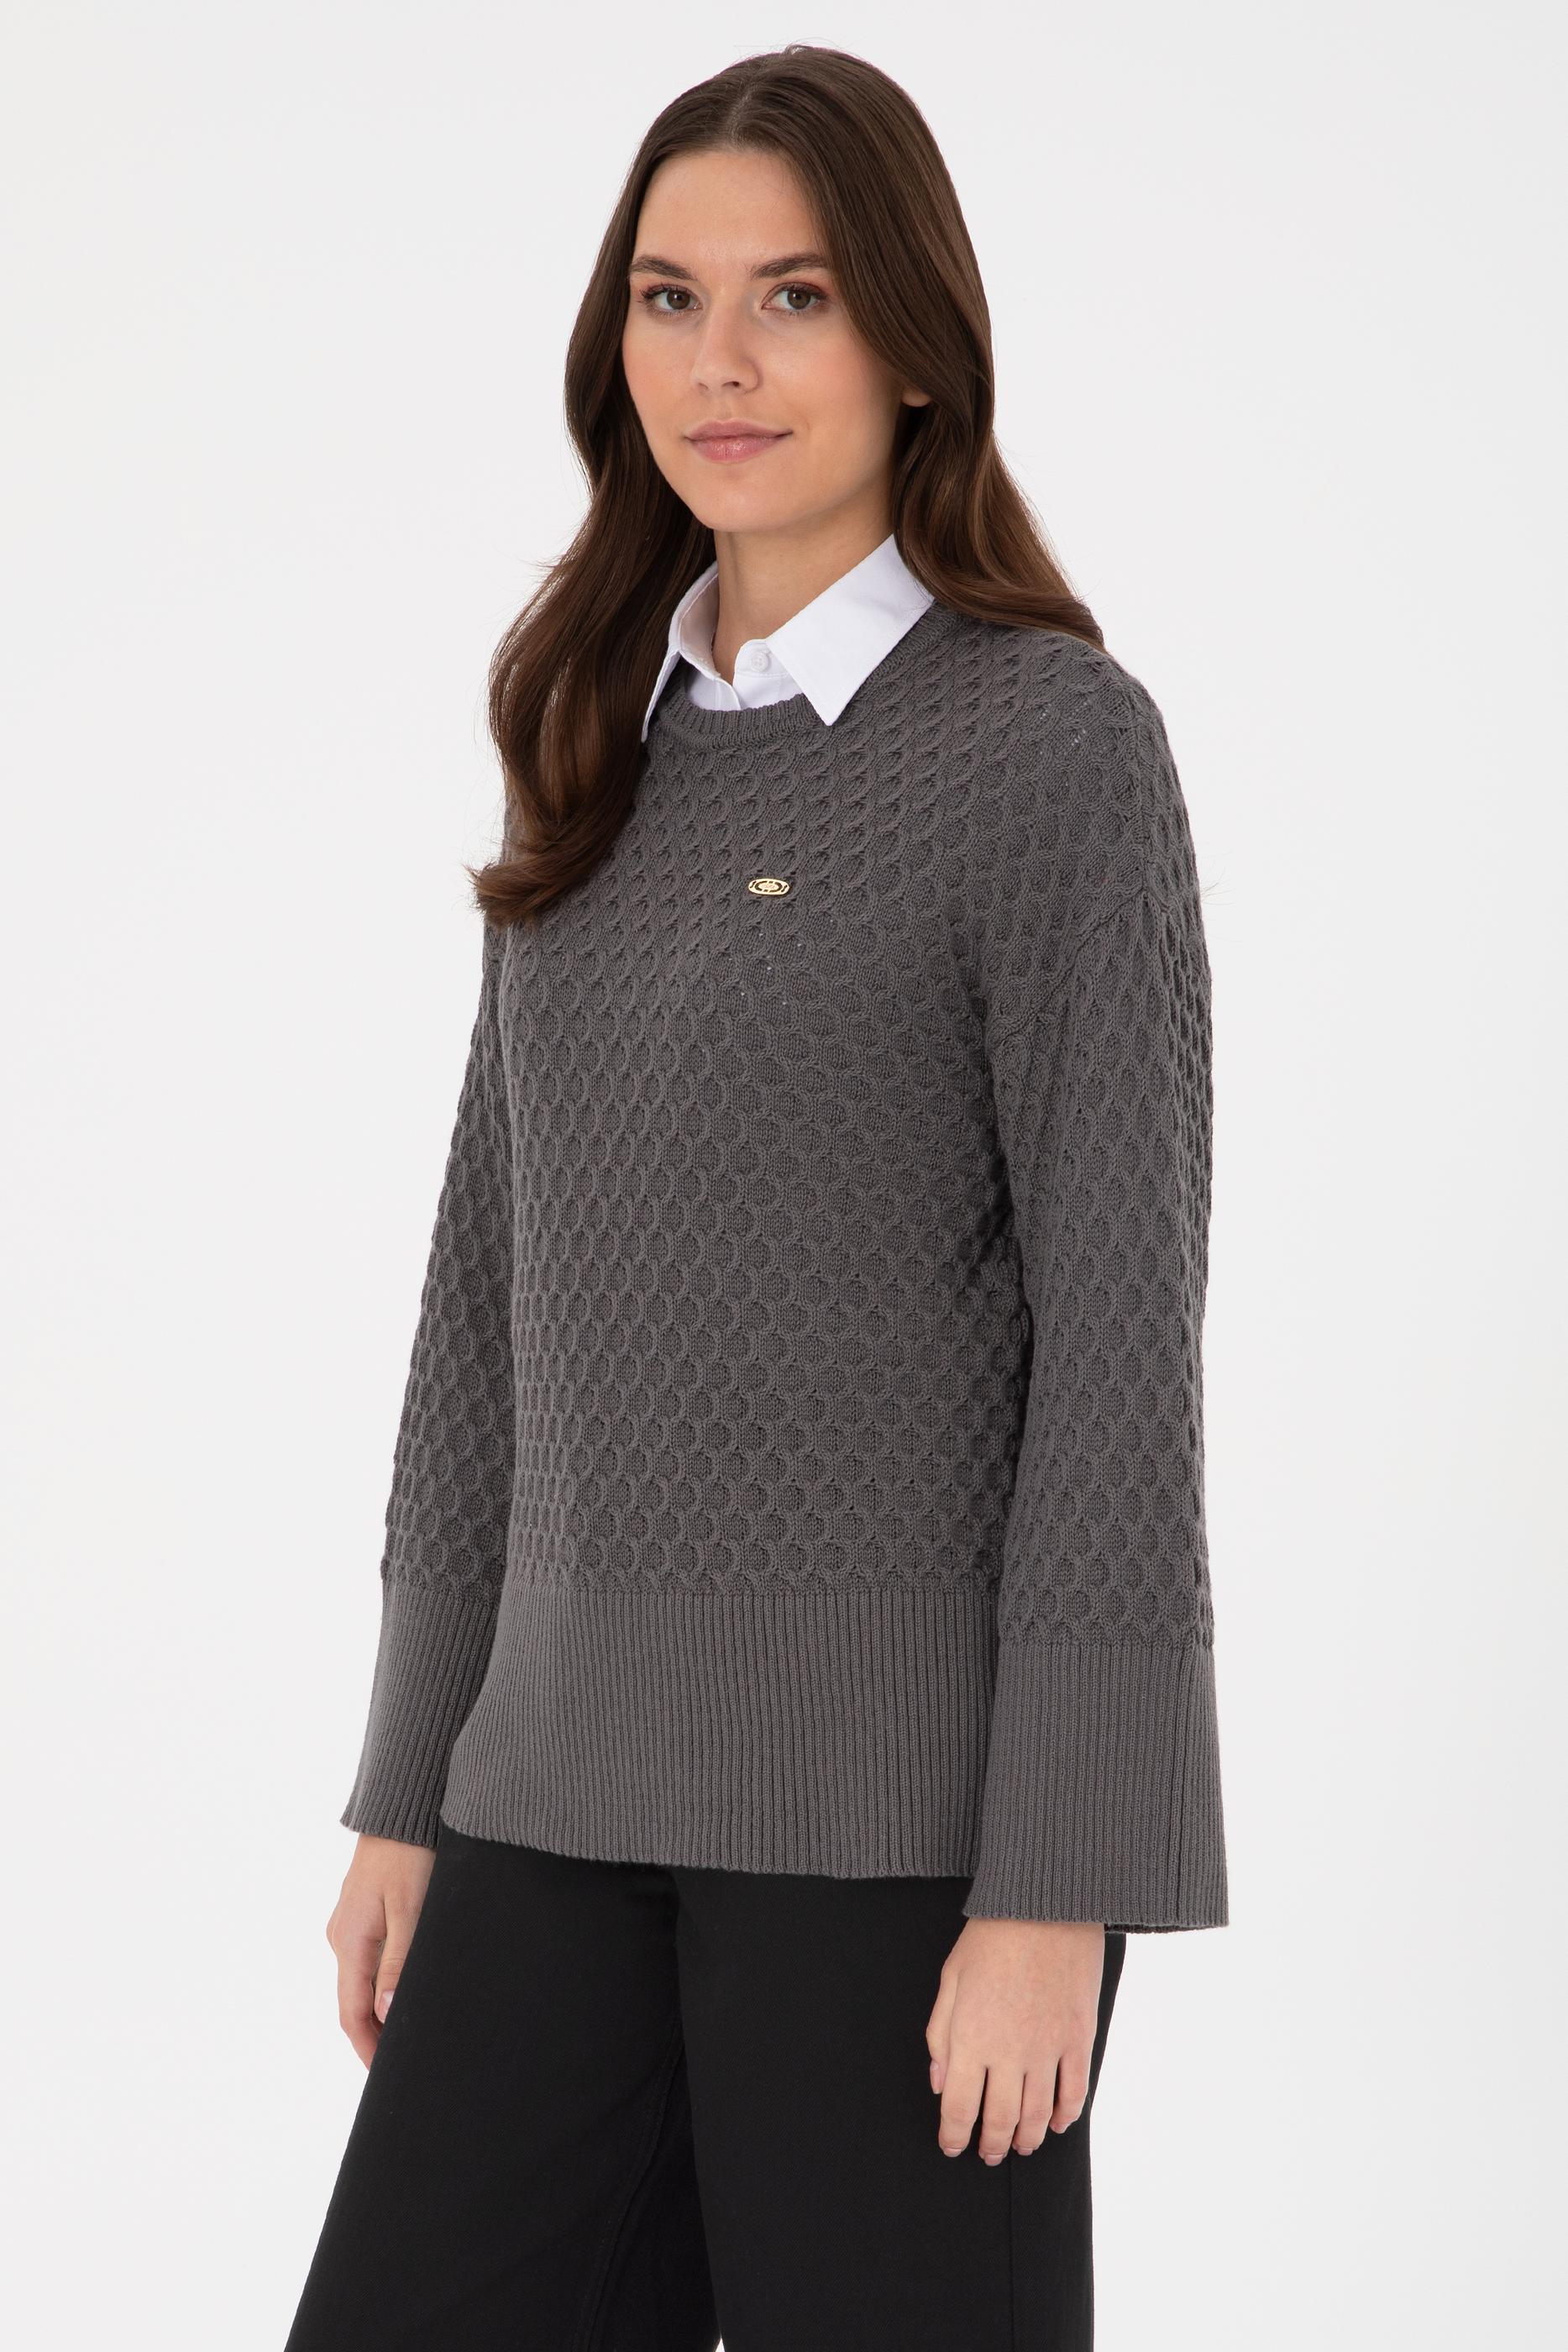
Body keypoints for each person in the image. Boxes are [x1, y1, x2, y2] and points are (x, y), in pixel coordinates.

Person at [284, 42, 1229, 2352]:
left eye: (794, 297)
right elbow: (488, 1295)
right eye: (669, 297)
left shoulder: (1047, 747)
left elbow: (1119, 1338)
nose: (722, 361)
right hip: (543, 1805)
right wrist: (410, 1778)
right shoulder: (595, 733)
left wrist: (1062, 1890)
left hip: (900, 1848)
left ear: (912, 341)